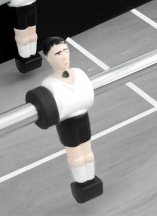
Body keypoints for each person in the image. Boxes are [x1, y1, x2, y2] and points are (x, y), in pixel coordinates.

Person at [26, 36, 103, 203]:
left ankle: (91, 179)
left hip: (83, 117)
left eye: (65, 51)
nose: (64, 56)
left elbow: (86, 97)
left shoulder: (79, 73)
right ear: (47, 58)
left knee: (88, 154)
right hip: (67, 124)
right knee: (77, 157)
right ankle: (82, 183)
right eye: (58, 53)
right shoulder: (49, 84)